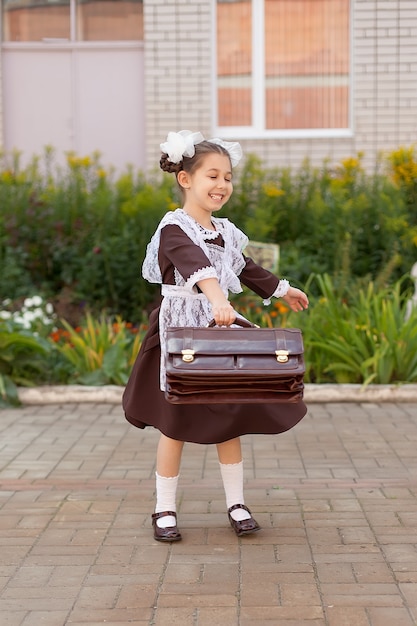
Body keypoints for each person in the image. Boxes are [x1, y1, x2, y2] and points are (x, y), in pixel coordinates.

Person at [123, 130, 309, 542]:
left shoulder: (224, 231)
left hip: (219, 333)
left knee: (229, 414)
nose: (222, 185)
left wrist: (282, 289)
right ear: (185, 179)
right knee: (175, 420)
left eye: (227, 177)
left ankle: (237, 502)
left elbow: (245, 268)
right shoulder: (174, 227)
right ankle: (164, 507)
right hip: (182, 334)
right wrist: (216, 298)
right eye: (212, 176)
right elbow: (195, 266)